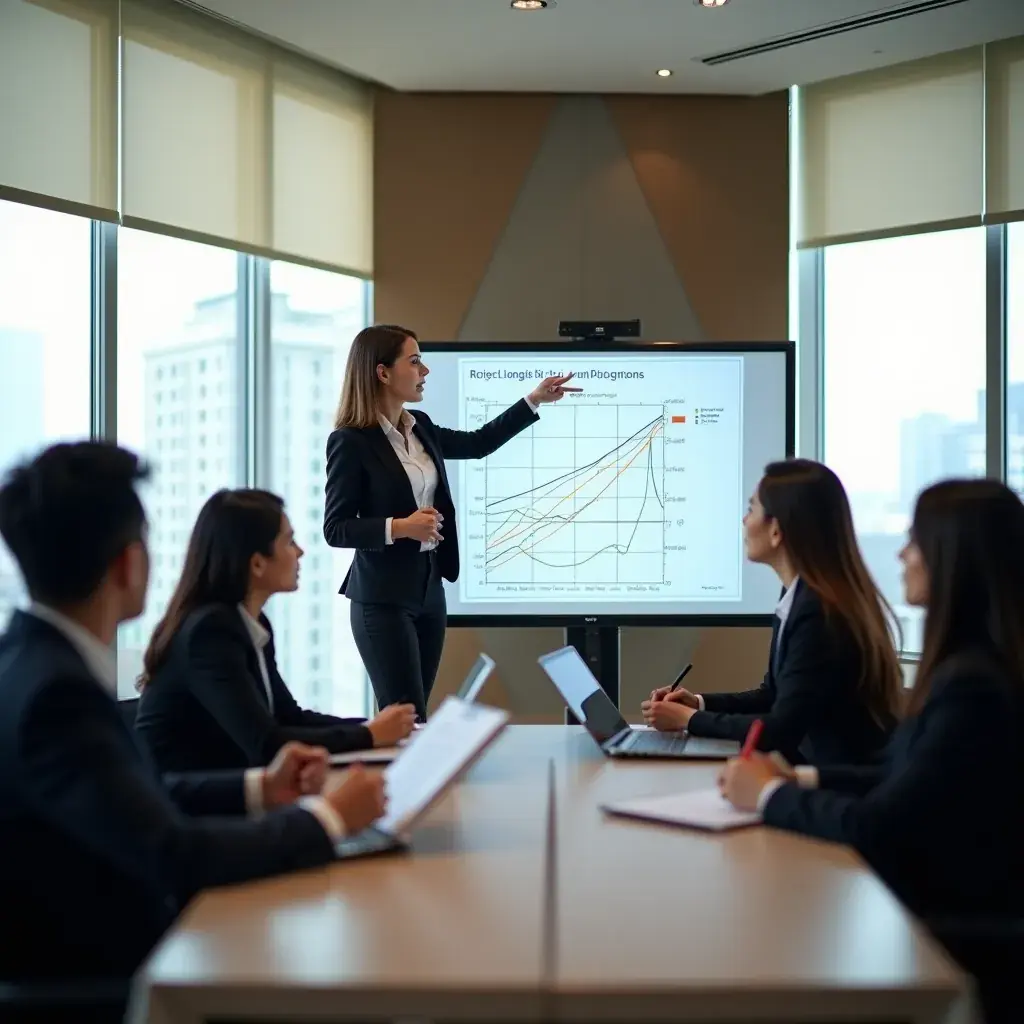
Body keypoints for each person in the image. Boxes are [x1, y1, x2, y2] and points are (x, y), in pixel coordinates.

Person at [0, 442, 386, 993]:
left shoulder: (27, 663)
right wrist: (326, 820)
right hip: (112, 980)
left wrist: (258, 789)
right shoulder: (56, 693)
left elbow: (140, 796)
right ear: (129, 563)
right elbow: (171, 852)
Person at [720, 478, 1024, 1024]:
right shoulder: (971, 670)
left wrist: (767, 795)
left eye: (914, 541)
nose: (903, 554)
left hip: (944, 937)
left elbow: (878, 825)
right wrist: (798, 783)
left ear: (953, 559)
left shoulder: (972, 686)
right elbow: (895, 775)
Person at [324, 324, 580, 719]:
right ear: (382, 372)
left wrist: (533, 400)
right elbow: (336, 528)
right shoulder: (350, 441)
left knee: (417, 716)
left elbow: (478, 444)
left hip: (430, 588)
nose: (424, 371)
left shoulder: (420, 425)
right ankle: (390, 782)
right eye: (415, 361)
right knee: (405, 718)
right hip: (382, 598)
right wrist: (400, 526)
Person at [136, 488, 416, 774]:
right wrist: (369, 735)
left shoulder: (250, 623)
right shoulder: (210, 632)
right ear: (257, 563)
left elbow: (287, 716)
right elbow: (266, 742)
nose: (300, 552)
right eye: (289, 541)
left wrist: (376, 727)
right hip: (189, 806)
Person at [642, 459, 902, 766]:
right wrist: (698, 704)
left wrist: (689, 720)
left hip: (834, 788)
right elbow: (774, 695)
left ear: (776, 530)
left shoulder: (819, 613)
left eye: (751, 509)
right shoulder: (801, 594)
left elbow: (781, 729)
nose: (744, 520)